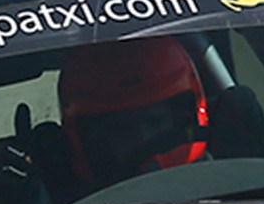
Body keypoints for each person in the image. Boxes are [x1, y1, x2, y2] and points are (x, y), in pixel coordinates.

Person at [57, 37, 209, 187]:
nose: (144, 138)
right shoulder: (73, 202)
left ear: (183, 120)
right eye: (122, 129)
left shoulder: (221, 180)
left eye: (155, 122)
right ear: (96, 143)